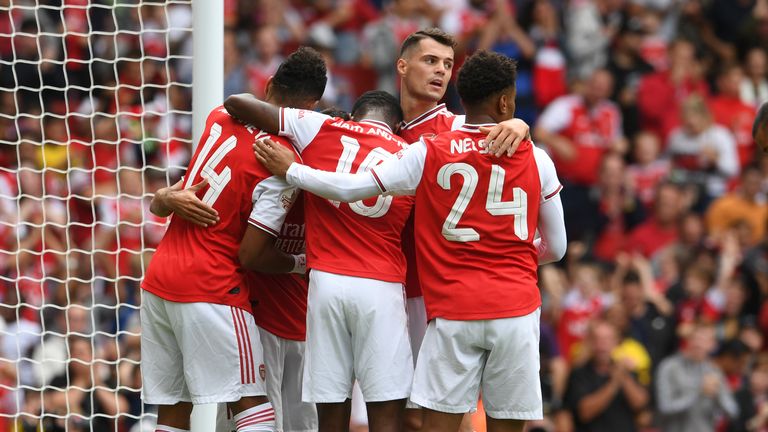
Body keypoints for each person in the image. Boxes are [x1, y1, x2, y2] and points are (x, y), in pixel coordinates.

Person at [250, 50, 567, 432]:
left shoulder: (428, 151)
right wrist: (511, 255)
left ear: (459, 98)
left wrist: (295, 171)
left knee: (431, 424)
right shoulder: (537, 158)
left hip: (452, 310)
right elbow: (557, 247)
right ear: (505, 102)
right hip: (515, 308)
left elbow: (353, 188)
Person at [140, 51, 324, 432]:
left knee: (173, 409)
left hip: (159, 280)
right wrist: (301, 263)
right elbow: (251, 253)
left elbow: (180, 192)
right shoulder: (281, 162)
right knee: (253, 406)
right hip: (212, 285)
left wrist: (162, 198)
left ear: (269, 85)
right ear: (311, 108)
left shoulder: (218, 118)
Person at [224, 90, 416, 432]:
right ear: (398, 127)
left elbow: (237, 103)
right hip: (382, 284)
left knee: (330, 412)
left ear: (353, 118)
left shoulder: (324, 127)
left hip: (326, 283)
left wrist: (294, 162)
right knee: (386, 413)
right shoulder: (411, 154)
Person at [394, 28, 531, 430]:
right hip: (389, 284)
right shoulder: (385, 127)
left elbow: (507, 128)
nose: (440, 72)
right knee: (395, 408)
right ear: (402, 66)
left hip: (435, 293)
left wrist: (521, 124)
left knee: (435, 413)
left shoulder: (456, 130)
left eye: (448, 65)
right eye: (431, 61)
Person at [564, 320, 650, 432]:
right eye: (597, 339)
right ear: (590, 342)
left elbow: (640, 404)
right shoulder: (579, 373)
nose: (602, 345)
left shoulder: (625, 370)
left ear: (616, 342)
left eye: (607, 340)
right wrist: (613, 384)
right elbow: (585, 412)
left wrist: (624, 377)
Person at [656, 323, 739, 432]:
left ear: (712, 345)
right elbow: (665, 408)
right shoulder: (669, 367)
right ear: (688, 340)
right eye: (696, 338)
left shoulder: (714, 371)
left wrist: (718, 394)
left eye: (705, 340)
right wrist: (698, 391)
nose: (699, 344)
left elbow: (733, 412)